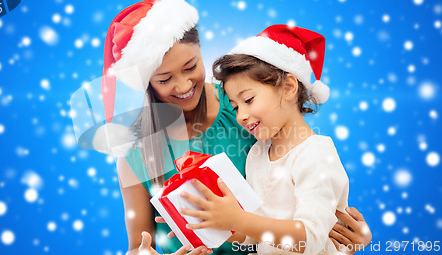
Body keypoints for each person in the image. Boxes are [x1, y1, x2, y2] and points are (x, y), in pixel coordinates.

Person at [100, 0, 371, 254]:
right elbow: (139, 245)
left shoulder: (245, 103)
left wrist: (348, 233)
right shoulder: (135, 148)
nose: (183, 86)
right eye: (164, 78)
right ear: (146, 82)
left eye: (191, 66)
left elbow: (305, 181)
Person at [176, 25, 368, 254]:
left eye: (248, 100)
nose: (241, 116)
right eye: (235, 107)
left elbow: (309, 240)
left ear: (288, 87)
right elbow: (254, 234)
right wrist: (207, 219)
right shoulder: (257, 153)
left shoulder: (316, 154)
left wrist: (239, 220)